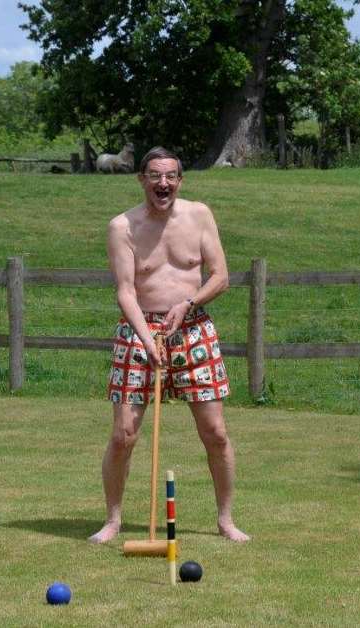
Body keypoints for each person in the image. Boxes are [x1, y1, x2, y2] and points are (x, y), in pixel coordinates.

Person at [89, 146, 249, 544]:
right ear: (141, 179)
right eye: (155, 176)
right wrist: (147, 338)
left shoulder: (199, 215)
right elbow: (125, 292)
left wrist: (187, 304)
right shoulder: (122, 226)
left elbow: (221, 276)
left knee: (215, 432)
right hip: (139, 330)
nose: (163, 183)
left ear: (180, 180)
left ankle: (226, 519)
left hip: (192, 329)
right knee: (123, 434)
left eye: (171, 176)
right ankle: (112, 520)